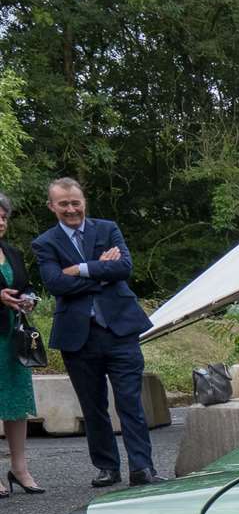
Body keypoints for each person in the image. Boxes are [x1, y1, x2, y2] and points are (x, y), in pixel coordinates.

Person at [32, 177, 163, 487]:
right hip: (79, 337)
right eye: (63, 204)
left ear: (84, 201)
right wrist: (101, 271)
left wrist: (80, 269)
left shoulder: (107, 229)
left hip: (120, 331)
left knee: (130, 402)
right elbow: (55, 284)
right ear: (52, 206)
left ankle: (142, 468)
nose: (71, 209)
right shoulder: (45, 243)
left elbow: (124, 269)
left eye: (75, 202)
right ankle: (107, 468)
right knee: (93, 407)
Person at [0, 191, 45, 497]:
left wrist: (29, 299)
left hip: (12, 338)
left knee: (15, 406)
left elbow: (25, 285)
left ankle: (19, 468)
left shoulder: (12, 252)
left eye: (4, 216)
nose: (2, 221)